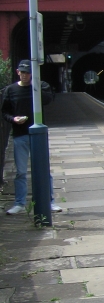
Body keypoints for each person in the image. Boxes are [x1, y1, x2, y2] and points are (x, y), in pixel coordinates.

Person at [2, 60, 61, 215]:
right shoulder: (10, 90)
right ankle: (19, 203)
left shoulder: (40, 87)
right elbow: (5, 112)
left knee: (43, 170)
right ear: (17, 72)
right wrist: (13, 119)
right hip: (20, 135)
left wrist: (36, 85)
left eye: (28, 72)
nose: (24, 75)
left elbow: (48, 100)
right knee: (21, 171)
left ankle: (50, 202)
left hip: (38, 136)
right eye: (22, 72)